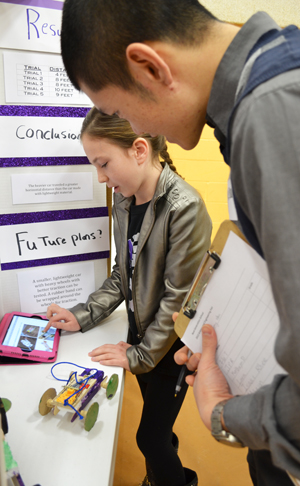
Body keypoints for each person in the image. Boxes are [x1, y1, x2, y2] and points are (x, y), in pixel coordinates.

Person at [59, 1, 300, 485]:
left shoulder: (274, 111)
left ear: (149, 66)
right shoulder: (278, 85)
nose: (138, 130)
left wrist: (224, 415)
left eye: (120, 111)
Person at [45, 107, 212, 486]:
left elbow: (177, 299)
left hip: (170, 345)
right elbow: (125, 272)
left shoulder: (184, 207)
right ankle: (162, 474)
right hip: (142, 338)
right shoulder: (125, 200)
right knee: (160, 432)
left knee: (149, 437)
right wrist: (83, 314)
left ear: (139, 149)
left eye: (104, 164)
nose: (102, 179)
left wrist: (137, 355)